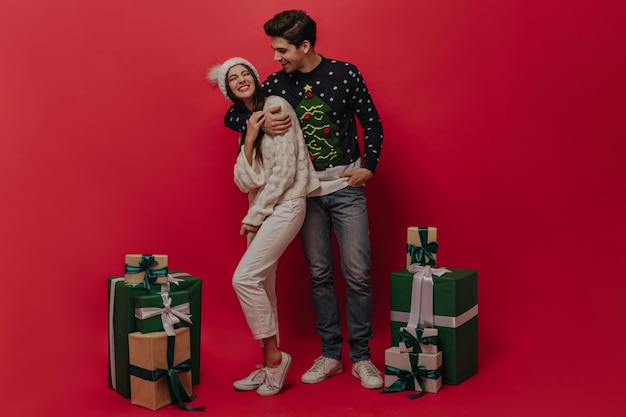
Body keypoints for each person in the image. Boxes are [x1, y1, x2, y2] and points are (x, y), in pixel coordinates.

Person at [223, 10, 385, 390]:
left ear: (305, 45)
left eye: (282, 50)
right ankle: (330, 354)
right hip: (304, 192)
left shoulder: (345, 73)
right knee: (319, 274)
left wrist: (370, 167)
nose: (276, 58)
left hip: (346, 186)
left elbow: (372, 121)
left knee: (358, 273)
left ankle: (361, 357)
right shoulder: (277, 83)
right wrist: (257, 122)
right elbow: (234, 111)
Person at [207, 57, 320, 396]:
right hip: (261, 206)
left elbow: (286, 172)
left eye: (246, 74)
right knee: (264, 287)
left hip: (285, 205)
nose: (241, 79)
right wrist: (250, 134)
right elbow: (245, 179)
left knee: (244, 278)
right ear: (229, 89)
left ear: (255, 78)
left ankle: (274, 359)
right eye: (234, 78)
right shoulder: (250, 122)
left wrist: (256, 214)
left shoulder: (276, 105)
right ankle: (267, 364)